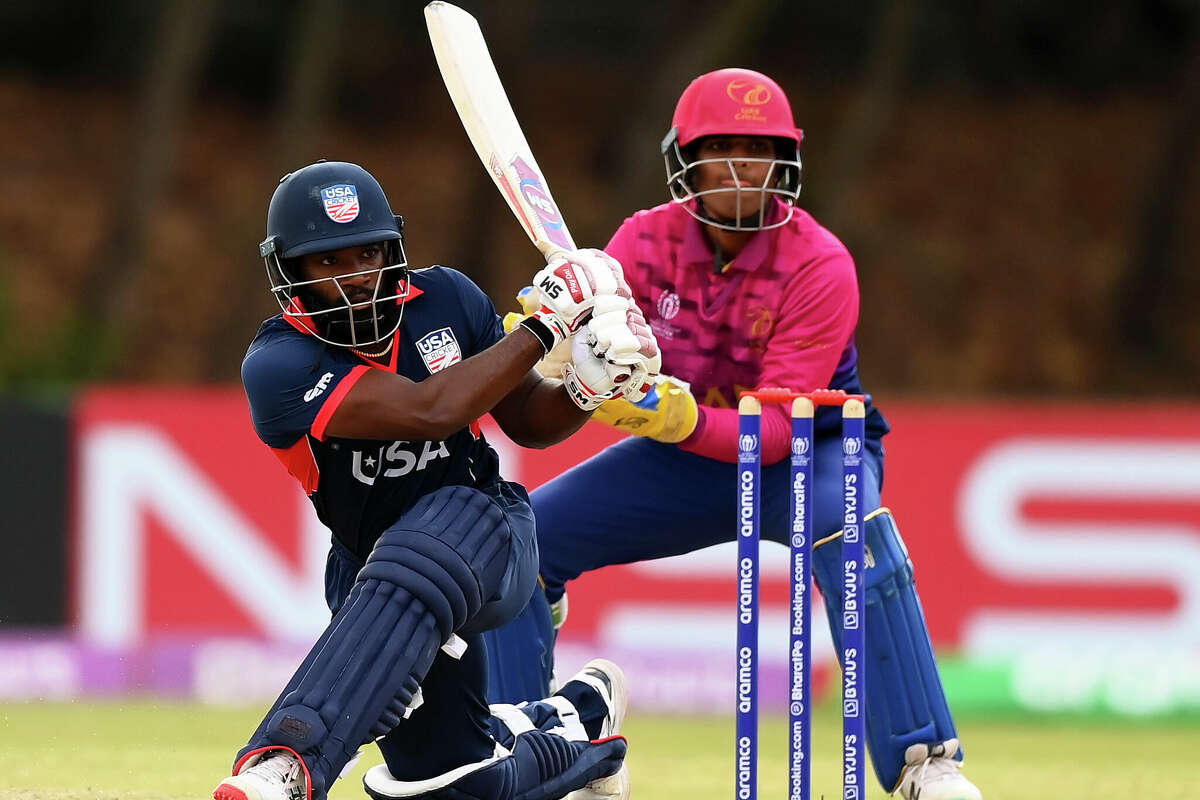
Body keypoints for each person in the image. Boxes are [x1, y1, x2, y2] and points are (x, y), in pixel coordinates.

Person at [482, 69, 984, 800]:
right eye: (725, 147)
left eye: (762, 148)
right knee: (517, 545)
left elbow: (775, 432)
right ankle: (548, 748)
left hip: (811, 454)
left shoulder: (821, 264)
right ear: (687, 156)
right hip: (683, 461)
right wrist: (557, 340)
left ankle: (925, 765)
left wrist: (667, 412)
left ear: (787, 163)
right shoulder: (642, 244)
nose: (746, 165)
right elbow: (601, 363)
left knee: (852, 530)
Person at [212, 159, 659, 800]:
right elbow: (431, 412)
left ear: (393, 249)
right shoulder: (279, 364)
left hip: (488, 527)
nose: (355, 280)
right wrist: (547, 327)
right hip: (370, 572)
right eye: (328, 263)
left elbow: (528, 421)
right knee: (450, 785)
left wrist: (589, 384)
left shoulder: (447, 298)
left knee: (432, 530)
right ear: (289, 275)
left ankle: (286, 764)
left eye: (367, 255)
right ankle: (581, 721)